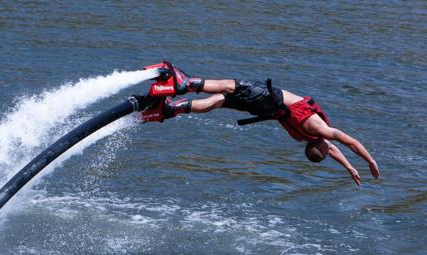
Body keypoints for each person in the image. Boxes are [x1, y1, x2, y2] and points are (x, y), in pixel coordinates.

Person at [157, 64, 380, 186]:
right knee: (220, 101)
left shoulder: (318, 131)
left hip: (269, 100)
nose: (330, 149)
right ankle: (174, 108)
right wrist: (350, 167)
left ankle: (186, 84)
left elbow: (350, 143)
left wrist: (369, 161)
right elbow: (334, 149)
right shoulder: (306, 137)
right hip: (265, 108)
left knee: (230, 86)